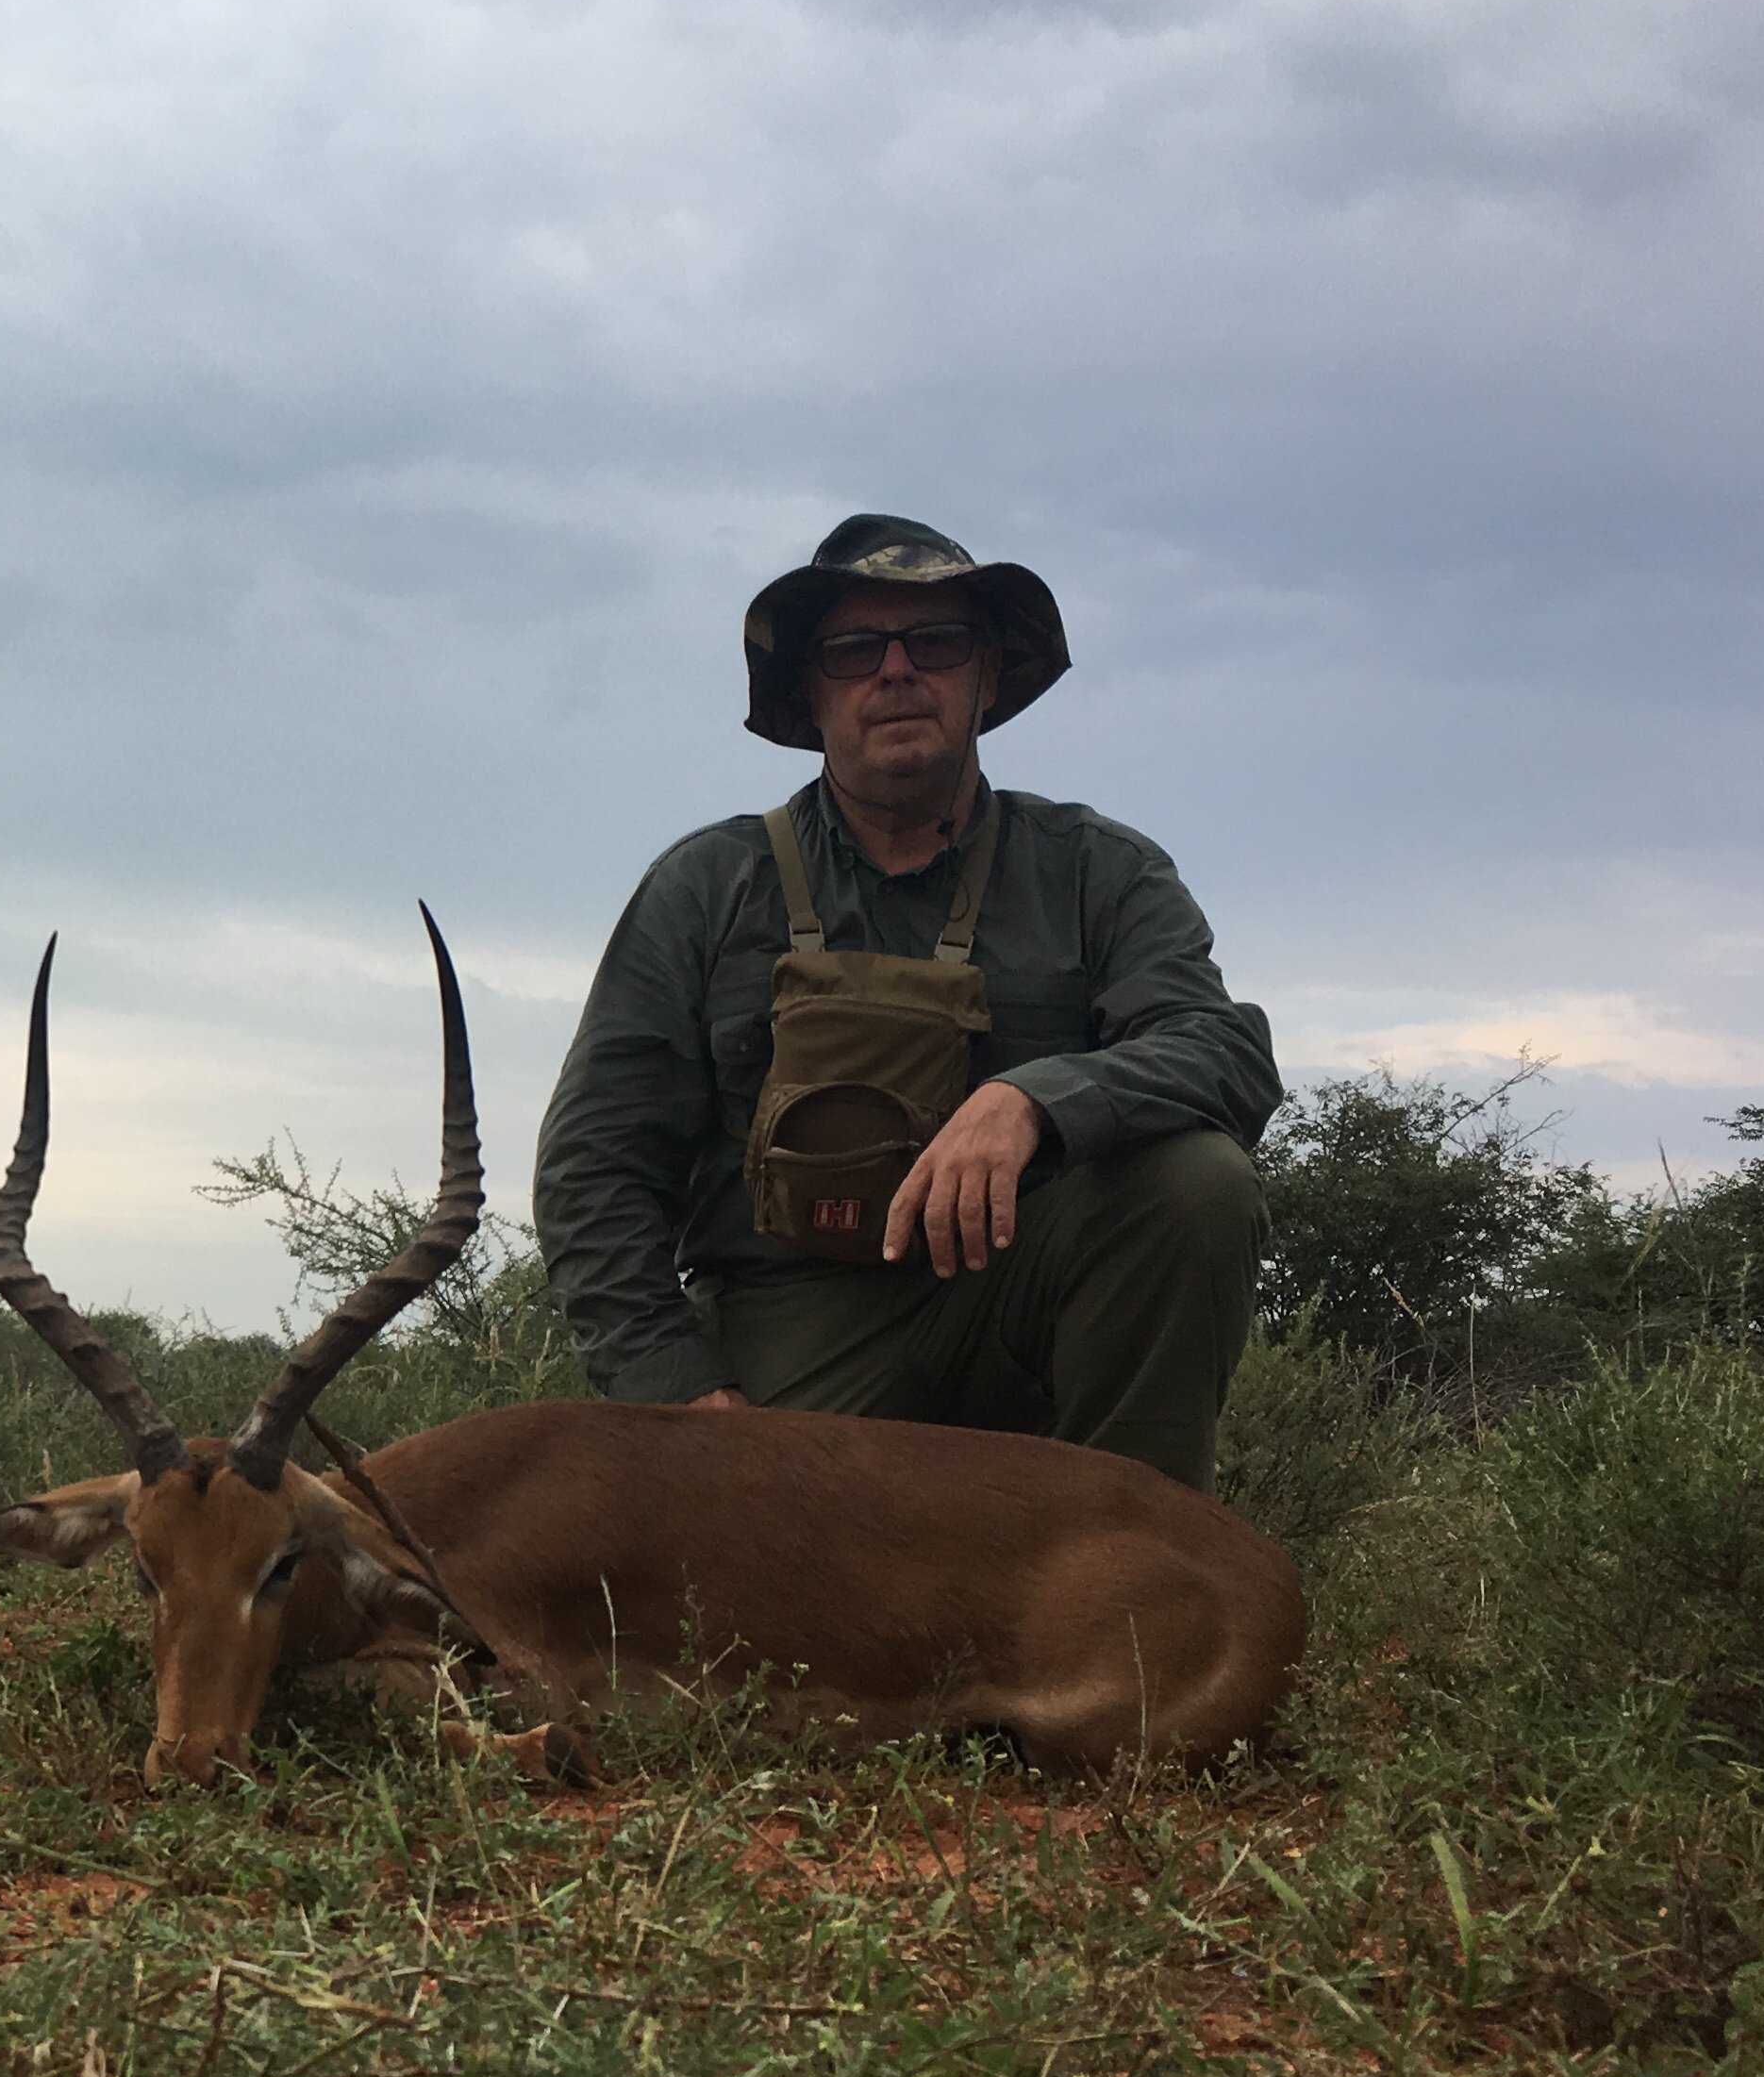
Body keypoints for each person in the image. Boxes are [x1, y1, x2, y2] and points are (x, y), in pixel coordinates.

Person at [534, 515, 1280, 1495]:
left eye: (935, 643)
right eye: (853, 649)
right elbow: (594, 1171)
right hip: (791, 1322)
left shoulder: (1099, 869)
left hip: (1018, 1309)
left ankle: (1136, 1590)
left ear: (986, 678)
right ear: (811, 689)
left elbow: (1225, 1052)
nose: (895, 672)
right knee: (774, 1602)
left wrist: (1035, 1103)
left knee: (1199, 1184)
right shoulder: (705, 887)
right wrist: (684, 1397)